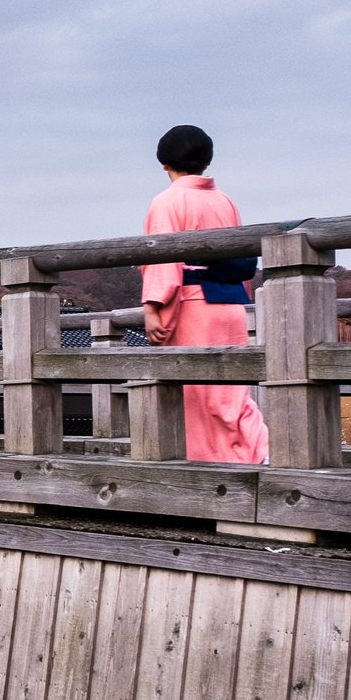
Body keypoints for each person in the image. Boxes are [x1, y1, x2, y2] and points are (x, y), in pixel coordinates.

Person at [141, 125, 269, 464]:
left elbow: (162, 257)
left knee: (198, 396)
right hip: (230, 303)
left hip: (194, 303)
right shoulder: (223, 200)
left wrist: (153, 308)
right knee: (231, 396)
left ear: (163, 161)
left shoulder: (168, 201)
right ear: (206, 161)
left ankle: (210, 469)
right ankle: (261, 456)